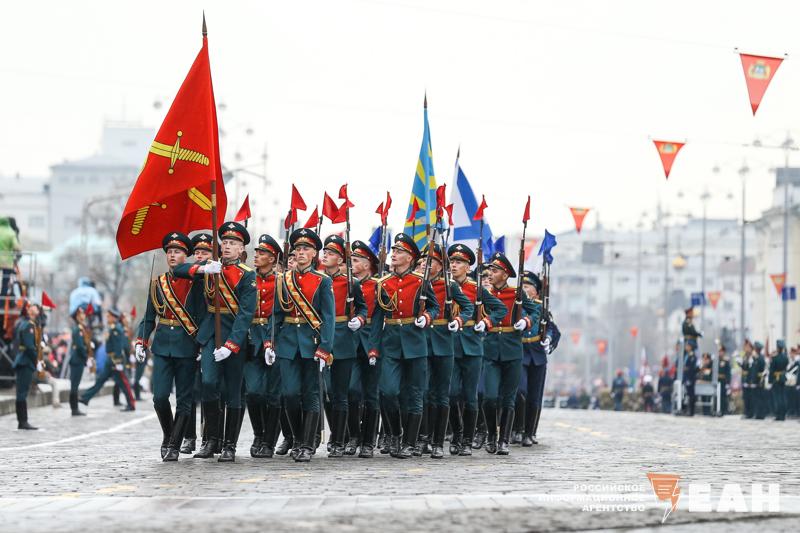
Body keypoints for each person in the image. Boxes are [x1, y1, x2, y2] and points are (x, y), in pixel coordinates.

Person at [174, 221, 256, 462]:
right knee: (209, 384)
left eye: (233, 243)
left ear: (241, 249)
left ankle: (229, 445)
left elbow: (245, 313)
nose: (227, 246)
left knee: (233, 391)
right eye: (225, 242)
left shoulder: (247, 274)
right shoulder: (210, 267)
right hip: (211, 334)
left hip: (234, 337)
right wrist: (202, 269)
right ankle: (211, 439)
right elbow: (178, 270)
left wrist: (231, 345)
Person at [368, 233, 439, 459]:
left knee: (414, 394)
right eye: (394, 251)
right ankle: (395, 433)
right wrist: (373, 347)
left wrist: (426, 317)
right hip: (390, 343)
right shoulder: (384, 283)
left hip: (415, 342)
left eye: (399, 252)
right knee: (388, 391)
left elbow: (435, 307)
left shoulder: (421, 282)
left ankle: (410, 442)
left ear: (410, 258)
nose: (394, 254)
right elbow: (377, 318)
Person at [135, 232, 205, 461]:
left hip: (187, 345)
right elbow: (148, 317)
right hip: (163, 346)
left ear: (186, 256)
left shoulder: (197, 282)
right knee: (160, 397)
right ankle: (168, 434)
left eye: (178, 252)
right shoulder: (158, 284)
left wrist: (202, 343)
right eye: (170, 252)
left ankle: (174, 444)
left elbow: (204, 316)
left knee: (184, 399)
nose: (172, 255)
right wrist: (141, 341)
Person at [270, 228, 334, 463]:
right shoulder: (283, 280)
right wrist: (270, 341)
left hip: (312, 344)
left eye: (306, 248)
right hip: (287, 343)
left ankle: (307, 444)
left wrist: (325, 347)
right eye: (297, 248)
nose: (300, 252)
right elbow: (276, 314)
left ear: (314, 253)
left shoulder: (323, 281)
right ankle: (298, 438)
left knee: (311, 394)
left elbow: (328, 317)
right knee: (289, 394)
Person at [446, 244, 506, 456]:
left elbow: (501, 308)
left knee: (470, 396)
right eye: (452, 262)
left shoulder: (476, 289)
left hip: (472, 346)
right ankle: (456, 433)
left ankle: (467, 440)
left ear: (468, 267)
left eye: (459, 262)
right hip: (450, 345)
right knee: (451, 394)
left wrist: (487, 322)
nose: (454, 265)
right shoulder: (444, 286)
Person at [482, 252, 540, 455]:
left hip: (512, 350)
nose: (490, 273)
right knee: (489, 397)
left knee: (509, 398)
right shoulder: (484, 293)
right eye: (490, 270)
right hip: (491, 350)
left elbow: (535, 311)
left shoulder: (516, 293)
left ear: (505, 275)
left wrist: (526, 321)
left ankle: (503, 440)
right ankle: (491, 435)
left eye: (495, 270)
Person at [418, 243, 473, 459]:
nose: (425, 264)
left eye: (430, 261)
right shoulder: (417, 283)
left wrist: (458, 320)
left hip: (443, 343)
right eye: (423, 261)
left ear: (441, 266)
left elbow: (468, 307)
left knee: (441, 395)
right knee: (423, 393)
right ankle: (423, 438)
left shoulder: (449, 286)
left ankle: (438, 441)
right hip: (421, 343)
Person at [318, 235, 368, 458]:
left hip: (343, 340)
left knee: (341, 392)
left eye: (331, 253)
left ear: (340, 260)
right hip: (321, 338)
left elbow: (362, 308)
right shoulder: (317, 279)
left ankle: (340, 440)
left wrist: (359, 319)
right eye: (325, 252)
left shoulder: (351, 283)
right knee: (327, 392)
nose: (326, 256)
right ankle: (338, 433)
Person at [245, 234, 283, 458]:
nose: (257, 255)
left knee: (274, 395)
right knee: (253, 392)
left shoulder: (281, 281)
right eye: (257, 252)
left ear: (272, 258)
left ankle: (269, 441)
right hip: (252, 338)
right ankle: (259, 433)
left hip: (275, 339)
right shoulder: (248, 279)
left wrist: (273, 340)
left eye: (262, 253)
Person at [346, 240, 383, 458]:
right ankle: (353, 436)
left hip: (372, 341)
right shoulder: (347, 283)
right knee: (351, 391)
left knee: (371, 394)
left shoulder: (378, 285)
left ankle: (368, 441)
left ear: (368, 265)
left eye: (355, 260)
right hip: (351, 341)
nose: (351, 264)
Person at [180, 232, 213, 454]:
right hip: (189, 337)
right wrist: (200, 269)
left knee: (210, 388)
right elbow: (178, 269)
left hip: (211, 336)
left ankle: (210, 437)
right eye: (197, 252)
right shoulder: (190, 273)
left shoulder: (219, 275)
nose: (200, 256)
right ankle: (189, 436)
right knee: (189, 389)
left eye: (205, 252)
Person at [519, 270, 559, 446]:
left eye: (528, 286)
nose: (524, 289)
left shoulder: (541, 308)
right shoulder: (517, 305)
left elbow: (552, 328)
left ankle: (529, 432)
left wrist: (548, 338)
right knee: (520, 391)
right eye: (522, 285)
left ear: (536, 291)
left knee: (534, 396)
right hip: (520, 352)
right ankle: (517, 428)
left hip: (536, 354)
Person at [80, 309, 136, 411]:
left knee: (124, 384)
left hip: (116, 361)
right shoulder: (112, 328)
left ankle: (131, 404)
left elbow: (119, 347)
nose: (107, 318)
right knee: (100, 381)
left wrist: (118, 361)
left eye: (109, 317)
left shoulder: (116, 329)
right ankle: (85, 398)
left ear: (114, 318)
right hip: (109, 360)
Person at [13, 302, 43, 430]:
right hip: (25, 362)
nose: (35, 309)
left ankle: (22, 421)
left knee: (22, 392)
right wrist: (37, 360)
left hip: (25, 361)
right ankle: (23, 421)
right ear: (29, 310)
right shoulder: (28, 326)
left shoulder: (29, 324)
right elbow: (30, 347)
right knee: (22, 393)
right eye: (32, 307)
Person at [68, 306, 93, 416]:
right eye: (81, 314)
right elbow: (79, 346)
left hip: (79, 360)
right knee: (74, 385)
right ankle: (74, 409)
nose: (84, 315)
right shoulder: (78, 329)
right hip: (77, 360)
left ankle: (75, 408)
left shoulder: (81, 328)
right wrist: (86, 357)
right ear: (77, 317)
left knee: (76, 384)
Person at [770, 340, 789, 421]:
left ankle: (778, 415)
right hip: (783, 378)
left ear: (777, 348)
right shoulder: (785, 358)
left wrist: (770, 380)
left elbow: (772, 370)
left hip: (776, 379)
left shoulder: (774, 358)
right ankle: (783, 414)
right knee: (783, 397)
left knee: (777, 398)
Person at [752, 341, 767, 419]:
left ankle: (761, 414)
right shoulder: (757, 358)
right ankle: (758, 413)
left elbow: (760, 371)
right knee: (757, 398)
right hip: (757, 380)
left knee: (760, 398)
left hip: (759, 380)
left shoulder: (760, 358)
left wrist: (758, 380)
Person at [740, 340, 754, 419]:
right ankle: (746, 412)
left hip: (750, 380)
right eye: (745, 347)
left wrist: (751, 380)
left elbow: (753, 370)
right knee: (745, 397)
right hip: (745, 379)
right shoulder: (744, 356)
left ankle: (750, 413)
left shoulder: (752, 357)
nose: (745, 348)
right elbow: (744, 368)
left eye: (747, 347)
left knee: (750, 397)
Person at [683, 348, 698, 416]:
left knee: (691, 394)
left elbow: (692, 368)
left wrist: (686, 369)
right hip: (686, 378)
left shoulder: (692, 356)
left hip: (690, 377)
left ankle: (691, 411)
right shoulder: (686, 355)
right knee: (687, 394)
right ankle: (686, 410)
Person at [718, 346, 731, 416]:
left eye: (721, 351)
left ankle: (723, 410)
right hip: (717, 381)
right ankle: (717, 409)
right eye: (719, 351)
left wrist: (728, 382)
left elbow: (728, 373)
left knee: (723, 396)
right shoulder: (716, 360)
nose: (720, 353)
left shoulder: (726, 361)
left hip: (723, 381)